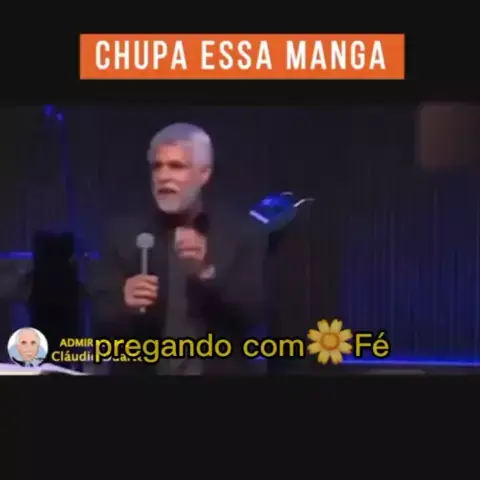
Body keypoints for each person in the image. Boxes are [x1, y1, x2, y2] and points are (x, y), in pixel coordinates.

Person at [89, 123, 267, 375]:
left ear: (204, 174)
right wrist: (122, 302)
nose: (163, 176)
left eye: (176, 166)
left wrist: (206, 273)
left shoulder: (240, 233)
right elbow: (99, 322)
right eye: (157, 166)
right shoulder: (122, 235)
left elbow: (253, 317)